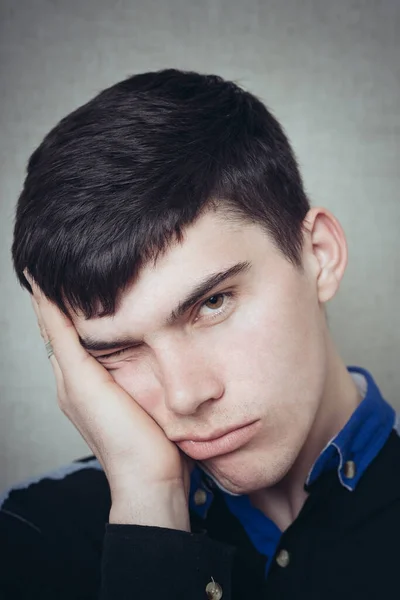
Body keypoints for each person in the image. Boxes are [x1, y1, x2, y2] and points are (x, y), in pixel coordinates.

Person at [2, 69, 399, 600]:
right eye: (118, 351)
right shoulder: (29, 535)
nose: (186, 396)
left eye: (213, 303)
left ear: (319, 257)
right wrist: (151, 505)